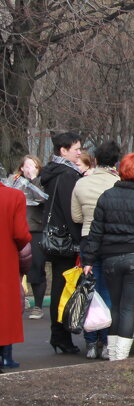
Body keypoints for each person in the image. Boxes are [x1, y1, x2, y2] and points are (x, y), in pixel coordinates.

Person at [79, 154, 134, 361]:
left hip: (110, 258)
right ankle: (120, 356)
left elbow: (96, 231)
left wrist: (88, 260)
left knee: (115, 306)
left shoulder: (106, 196)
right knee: (129, 307)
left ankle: (114, 353)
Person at [71, 140, 122, 358]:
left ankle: (90, 343)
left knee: (89, 290)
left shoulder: (82, 184)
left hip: (88, 238)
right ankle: (107, 341)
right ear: (116, 161)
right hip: (112, 240)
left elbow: (76, 216)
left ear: (96, 160)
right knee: (109, 292)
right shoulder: (118, 183)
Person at [40, 131, 85, 354]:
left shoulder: (53, 172)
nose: (80, 152)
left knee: (60, 285)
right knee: (63, 288)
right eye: (76, 149)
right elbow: (71, 212)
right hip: (66, 240)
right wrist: (80, 239)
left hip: (55, 237)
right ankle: (60, 334)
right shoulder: (68, 175)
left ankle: (58, 334)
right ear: (63, 151)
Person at [8, 156, 47, 319]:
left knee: (35, 267)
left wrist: (32, 181)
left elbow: (42, 198)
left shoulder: (41, 183)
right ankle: (16, 301)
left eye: (35, 166)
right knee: (13, 269)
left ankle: (38, 305)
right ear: (21, 168)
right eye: (28, 166)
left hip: (35, 229)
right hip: (14, 230)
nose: (31, 169)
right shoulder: (13, 182)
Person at [1, 176, 32, 370]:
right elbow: (21, 234)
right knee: (5, 307)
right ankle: (5, 355)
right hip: (5, 258)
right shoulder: (14, 196)